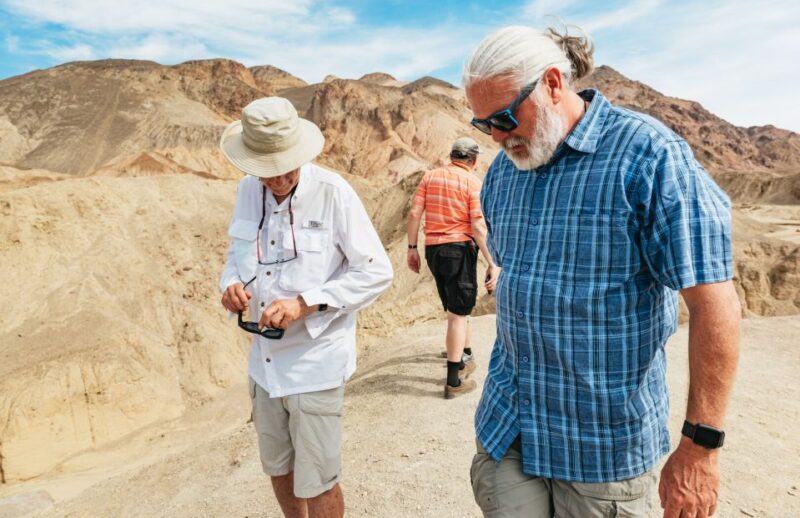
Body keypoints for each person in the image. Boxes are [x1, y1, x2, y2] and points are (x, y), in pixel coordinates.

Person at [463, 26, 741, 517]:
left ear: (552, 82)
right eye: (485, 125)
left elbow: (714, 301)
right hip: (509, 426)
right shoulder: (504, 171)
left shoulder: (649, 156)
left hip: (600, 449)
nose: (499, 136)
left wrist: (701, 447)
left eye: (505, 117)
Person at [218, 97, 393, 518]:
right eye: (266, 171)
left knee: (316, 479)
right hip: (263, 363)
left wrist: (305, 303)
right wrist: (231, 287)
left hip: (315, 363)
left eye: (286, 167)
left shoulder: (333, 193)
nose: (277, 179)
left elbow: (376, 272)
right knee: (279, 469)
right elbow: (235, 255)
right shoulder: (247, 191)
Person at [406, 137, 498, 399]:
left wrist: (412, 249)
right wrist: (493, 262)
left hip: (433, 249)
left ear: (452, 156)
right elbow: (478, 227)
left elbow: (414, 214)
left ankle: (465, 354)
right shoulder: (473, 183)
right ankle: (453, 381)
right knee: (458, 314)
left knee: (456, 307)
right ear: (474, 161)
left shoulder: (430, 177)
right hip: (459, 249)